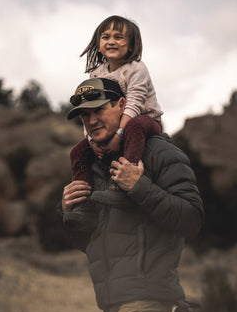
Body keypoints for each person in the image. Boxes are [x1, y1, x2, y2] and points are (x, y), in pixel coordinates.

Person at [60, 77, 204, 312]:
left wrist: (140, 186)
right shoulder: (90, 163)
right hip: (114, 299)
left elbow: (191, 217)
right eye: (83, 115)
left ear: (122, 105)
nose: (90, 121)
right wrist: (71, 211)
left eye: (98, 110)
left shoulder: (159, 152)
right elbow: (93, 241)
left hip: (151, 293)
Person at [63, 15, 163, 231]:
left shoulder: (137, 68)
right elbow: (89, 110)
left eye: (119, 37)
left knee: (136, 125)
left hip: (147, 120)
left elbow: (134, 103)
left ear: (132, 44)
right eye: (106, 37)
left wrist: (118, 134)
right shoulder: (97, 73)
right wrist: (91, 141)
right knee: (77, 152)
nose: (111, 41)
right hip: (116, 123)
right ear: (98, 44)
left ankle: (122, 184)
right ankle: (83, 205)